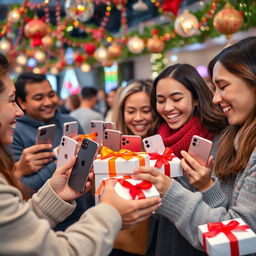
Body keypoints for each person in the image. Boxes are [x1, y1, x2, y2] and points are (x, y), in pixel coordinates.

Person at [0, 52, 161, 255]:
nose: (18, 112)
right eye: (11, 100)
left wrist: (56, 194)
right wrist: (109, 212)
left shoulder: (69, 120)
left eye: (50, 94)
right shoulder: (15, 138)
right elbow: (54, 250)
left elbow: (18, 230)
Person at [134, 36, 256, 253]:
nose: (217, 98)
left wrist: (175, 190)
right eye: (160, 100)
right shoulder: (237, 137)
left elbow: (239, 232)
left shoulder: (222, 140)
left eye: (223, 86)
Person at [138, 63, 227, 256]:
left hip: (204, 245)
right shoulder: (155, 139)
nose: (168, 107)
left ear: (196, 98)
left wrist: (205, 184)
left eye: (176, 99)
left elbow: (227, 213)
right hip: (164, 242)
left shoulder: (218, 140)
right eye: (160, 100)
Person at [12, 72, 93, 231]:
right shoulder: (13, 132)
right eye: (38, 98)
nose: (48, 102)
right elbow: (22, 187)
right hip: (43, 224)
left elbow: (88, 169)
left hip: (83, 214)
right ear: (22, 102)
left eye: (51, 95)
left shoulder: (70, 121)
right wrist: (61, 160)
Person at [111, 79, 155, 256]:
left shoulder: (165, 150)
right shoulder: (110, 150)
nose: (138, 118)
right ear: (122, 113)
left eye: (146, 111)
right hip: (120, 244)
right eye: (131, 111)